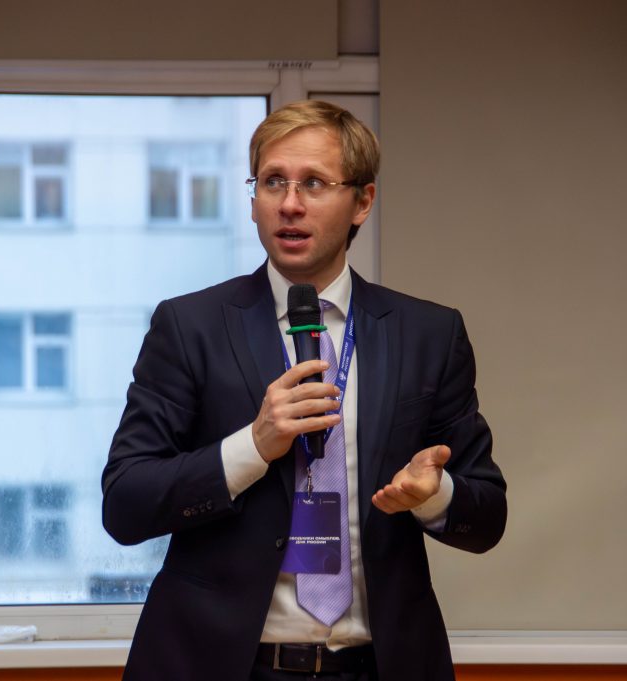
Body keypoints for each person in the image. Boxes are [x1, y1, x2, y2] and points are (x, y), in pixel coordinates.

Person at [101, 100, 506, 681]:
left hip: (378, 668)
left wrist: (433, 493)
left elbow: (487, 518)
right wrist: (252, 446)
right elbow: (124, 503)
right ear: (254, 200)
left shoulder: (428, 334)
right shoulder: (190, 327)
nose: (289, 204)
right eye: (273, 182)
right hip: (223, 666)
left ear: (362, 201)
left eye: (314, 183)